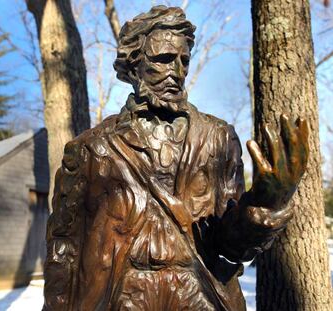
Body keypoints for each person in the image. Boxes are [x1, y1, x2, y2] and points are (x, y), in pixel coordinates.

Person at [43, 6, 309, 311]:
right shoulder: (92, 149)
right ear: (134, 65)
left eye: (184, 61)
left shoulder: (217, 138)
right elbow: (63, 250)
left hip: (199, 294)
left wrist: (263, 206)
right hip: (122, 296)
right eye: (164, 59)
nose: (177, 72)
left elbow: (230, 246)